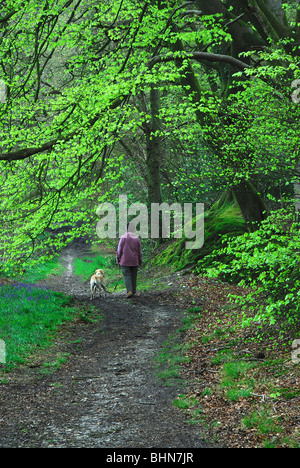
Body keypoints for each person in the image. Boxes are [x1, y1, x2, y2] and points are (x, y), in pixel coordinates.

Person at [117, 222, 142, 298]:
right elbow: (139, 252)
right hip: (134, 261)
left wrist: (118, 259)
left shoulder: (123, 237)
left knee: (127, 276)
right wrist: (140, 261)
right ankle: (133, 291)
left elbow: (119, 250)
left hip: (125, 261)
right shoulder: (137, 238)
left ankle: (129, 291)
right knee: (134, 276)